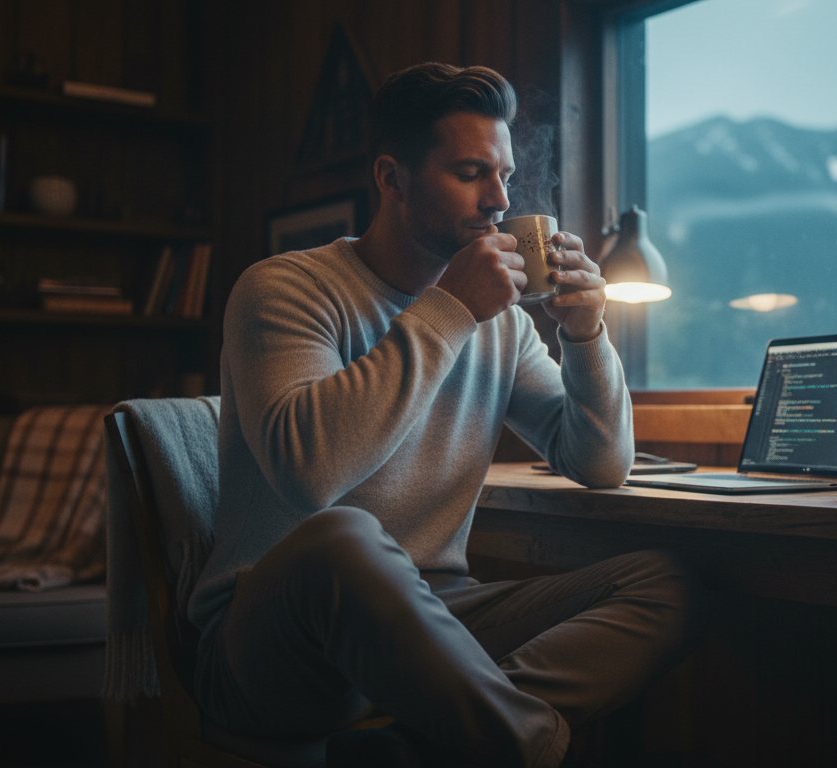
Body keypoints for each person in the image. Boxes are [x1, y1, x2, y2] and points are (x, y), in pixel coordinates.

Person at [188, 62, 699, 767]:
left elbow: (600, 464)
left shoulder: (503, 326)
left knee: (667, 580)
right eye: (470, 173)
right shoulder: (285, 288)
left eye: (506, 176)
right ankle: (521, 743)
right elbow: (311, 475)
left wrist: (585, 333)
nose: (499, 200)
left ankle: (424, 744)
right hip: (277, 646)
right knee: (343, 538)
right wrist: (449, 311)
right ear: (392, 179)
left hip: (434, 626)